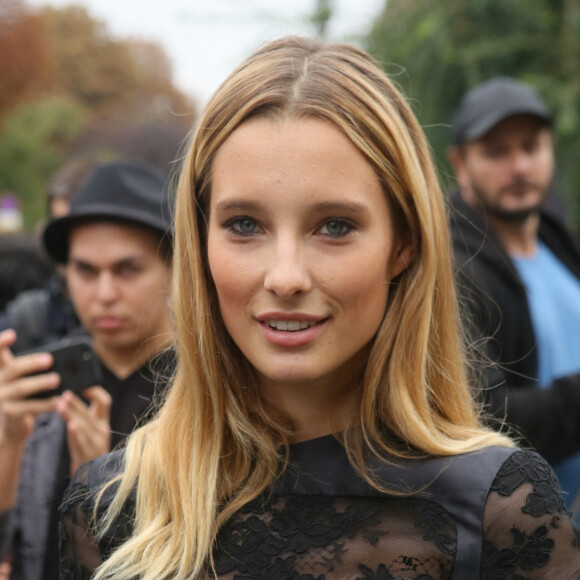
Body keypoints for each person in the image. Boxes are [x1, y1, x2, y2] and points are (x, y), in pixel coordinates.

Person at [60, 37, 580, 580]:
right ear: (199, 242)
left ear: (403, 244)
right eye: (244, 225)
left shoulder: (503, 512)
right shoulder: (108, 508)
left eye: (335, 226)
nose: (285, 276)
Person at [0, 160, 175, 580]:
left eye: (127, 269)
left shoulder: (203, 390)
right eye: (85, 270)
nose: (104, 294)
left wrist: (98, 486)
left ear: (174, 266)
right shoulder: (45, 378)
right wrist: (8, 440)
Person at [447, 76, 580, 520]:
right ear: (461, 164)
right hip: (528, 534)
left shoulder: (557, 239)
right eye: (497, 151)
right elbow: (481, 417)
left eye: (531, 146)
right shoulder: (452, 271)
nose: (520, 166)